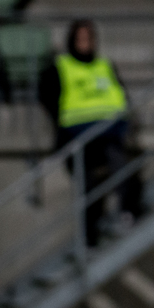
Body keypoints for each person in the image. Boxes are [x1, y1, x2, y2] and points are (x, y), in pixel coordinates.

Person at [39, 19, 141, 247]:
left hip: (108, 134)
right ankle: (90, 236)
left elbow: (119, 94)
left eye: (89, 39)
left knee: (124, 170)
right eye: (81, 39)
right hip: (78, 139)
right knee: (89, 185)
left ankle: (128, 213)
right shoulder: (61, 66)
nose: (85, 43)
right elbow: (46, 95)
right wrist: (60, 122)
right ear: (72, 41)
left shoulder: (104, 65)